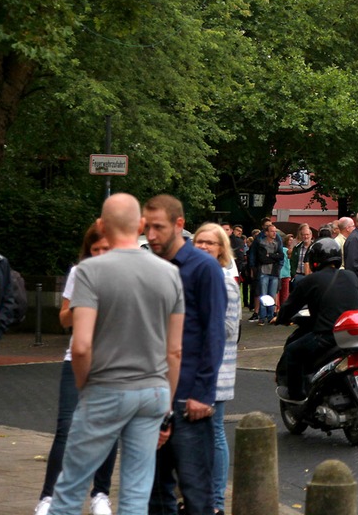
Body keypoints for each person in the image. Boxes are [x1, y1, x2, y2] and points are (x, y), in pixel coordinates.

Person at [47, 194, 183, 515]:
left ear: (102, 227)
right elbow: (175, 349)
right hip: (153, 391)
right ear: (140, 225)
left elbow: (80, 345)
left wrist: (85, 386)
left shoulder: (89, 271)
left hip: (106, 387)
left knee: (69, 490)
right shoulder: (170, 274)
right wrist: (167, 404)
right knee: (136, 492)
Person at [145, 194, 227, 515]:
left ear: (179, 225)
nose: (151, 236)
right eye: (147, 227)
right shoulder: (150, 266)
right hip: (151, 397)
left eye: (159, 228)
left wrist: (203, 394)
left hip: (189, 398)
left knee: (195, 491)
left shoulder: (203, 268)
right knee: (154, 491)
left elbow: (214, 333)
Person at [35, 224, 119, 515]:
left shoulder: (127, 277)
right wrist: (84, 305)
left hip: (113, 363)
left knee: (108, 430)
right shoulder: (78, 274)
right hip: (77, 360)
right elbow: (63, 319)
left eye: (106, 250)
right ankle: (48, 497)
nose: (100, 255)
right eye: (95, 251)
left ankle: (100, 495)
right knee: (67, 428)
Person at [275, 238, 358, 400]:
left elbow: (290, 306)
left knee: (293, 351)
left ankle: (296, 395)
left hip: (327, 336)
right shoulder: (352, 276)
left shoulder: (311, 280)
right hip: (351, 336)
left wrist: (280, 318)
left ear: (315, 260)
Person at [192, 223, 239, 515]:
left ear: (222, 248)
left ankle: (217, 503)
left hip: (216, 368)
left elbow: (229, 328)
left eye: (210, 243)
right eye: (199, 242)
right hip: (192, 367)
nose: (204, 247)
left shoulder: (223, 281)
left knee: (214, 432)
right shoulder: (195, 276)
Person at [251, 223, 283, 324]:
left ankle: (270, 316)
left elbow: (281, 256)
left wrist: (270, 255)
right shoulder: (261, 244)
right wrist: (274, 257)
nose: (274, 233)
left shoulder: (277, 244)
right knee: (263, 295)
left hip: (274, 273)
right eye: (272, 231)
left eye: (275, 231)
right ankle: (262, 316)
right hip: (264, 272)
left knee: (272, 295)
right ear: (266, 233)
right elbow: (262, 258)